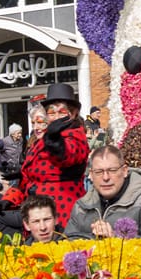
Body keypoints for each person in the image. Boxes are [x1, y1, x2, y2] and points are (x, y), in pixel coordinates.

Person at [63, 146, 141, 240]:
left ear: (124, 171)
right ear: (91, 174)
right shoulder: (82, 206)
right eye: (99, 172)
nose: (106, 177)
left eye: (112, 170)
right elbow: (67, 243)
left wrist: (115, 238)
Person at [18, 84, 89, 228]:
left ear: (73, 113)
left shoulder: (75, 135)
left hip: (61, 208)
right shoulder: (42, 139)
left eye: (62, 112)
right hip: (37, 208)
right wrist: (11, 198)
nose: (56, 117)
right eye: (51, 112)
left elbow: (69, 155)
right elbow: (27, 175)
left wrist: (55, 142)